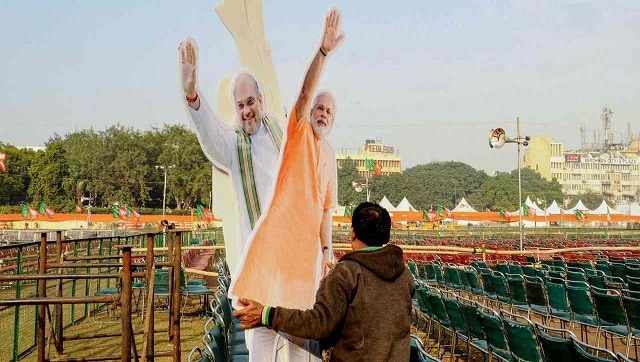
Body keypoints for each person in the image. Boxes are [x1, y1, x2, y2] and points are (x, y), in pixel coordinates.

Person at [234, 202, 416, 361]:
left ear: (352, 233)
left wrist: (267, 314)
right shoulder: (405, 276)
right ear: (386, 236)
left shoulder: (346, 274)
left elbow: (319, 324)